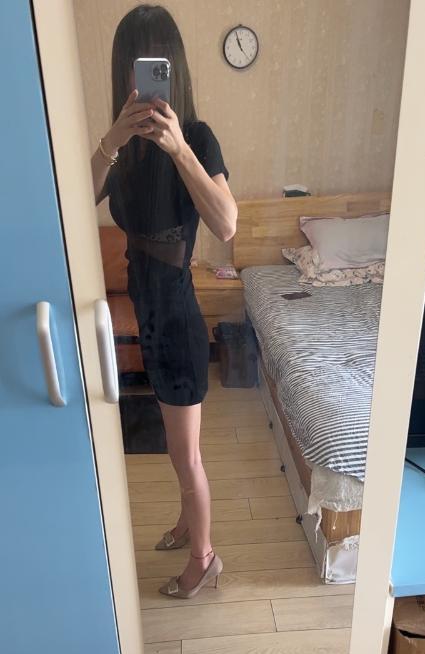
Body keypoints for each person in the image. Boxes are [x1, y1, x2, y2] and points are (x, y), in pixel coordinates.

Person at [91, 4, 237, 599]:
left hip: (175, 321)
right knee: (180, 453)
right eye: (131, 63)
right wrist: (112, 139)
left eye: (151, 62)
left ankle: (204, 559)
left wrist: (179, 150)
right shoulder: (122, 147)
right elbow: (70, 202)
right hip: (146, 314)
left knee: (186, 456)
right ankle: (185, 523)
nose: (140, 74)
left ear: (171, 67)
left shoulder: (196, 137)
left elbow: (226, 223)